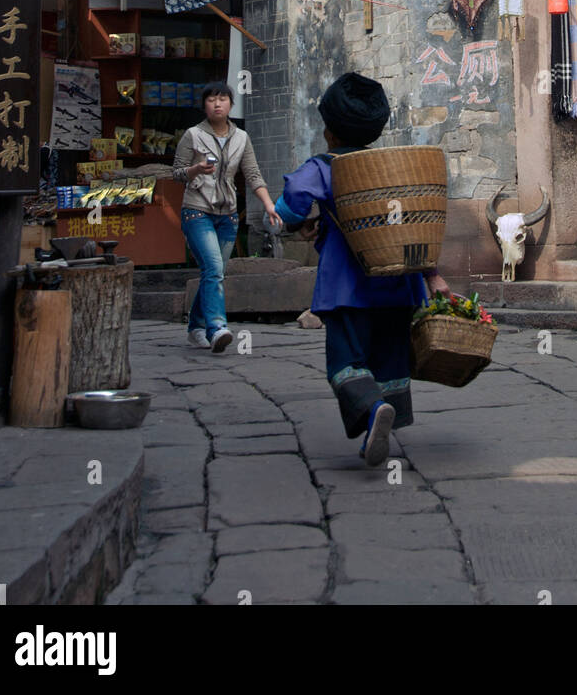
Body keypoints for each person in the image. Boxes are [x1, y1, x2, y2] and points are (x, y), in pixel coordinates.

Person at [274, 72, 449, 467]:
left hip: (347, 287)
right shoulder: (391, 167)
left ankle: (372, 412)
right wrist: (432, 275)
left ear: (331, 132)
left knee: (344, 361)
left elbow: (293, 203)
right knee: (388, 359)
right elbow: (419, 221)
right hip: (399, 284)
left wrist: (293, 220)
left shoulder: (326, 166)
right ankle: (384, 413)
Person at [173, 82, 281, 352]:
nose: (217, 104)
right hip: (197, 210)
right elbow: (176, 173)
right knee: (212, 268)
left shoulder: (241, 138)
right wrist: (196, 169)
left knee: (215, 272)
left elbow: (253, 174)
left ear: (231, 105)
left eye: (222, 99)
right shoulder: (193, 135)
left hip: (228, 215)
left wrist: (269, 205)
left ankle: (195, 327)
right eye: (211, 100)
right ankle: (218, 327)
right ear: (204, 105)